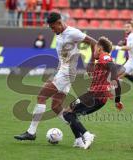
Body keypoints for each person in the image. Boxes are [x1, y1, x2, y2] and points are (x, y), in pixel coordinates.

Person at [14, 12, 97, 141]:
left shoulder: (73, 33)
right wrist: (56, 73)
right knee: (56, 107)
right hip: (63, 72)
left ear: (59, 23)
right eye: (50, 28)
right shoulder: (58, 36)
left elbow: (94, 42)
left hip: (68, 73)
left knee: (41, 96)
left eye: (53, 27)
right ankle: (80, 136)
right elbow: (63, 58)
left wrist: (92, 62)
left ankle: (31, 132)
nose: (52, 30)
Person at [63, 36, 125, 149]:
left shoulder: (105, 57)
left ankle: (87, 135)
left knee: (67, 113)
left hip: (95, 95)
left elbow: (115, 74)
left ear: (100, 49)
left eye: (95, 49)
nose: (94, 51)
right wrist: (117, 100)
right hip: (98, 97)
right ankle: (78, 141)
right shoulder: (101, 59)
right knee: (71, 113)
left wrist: (115, 94)